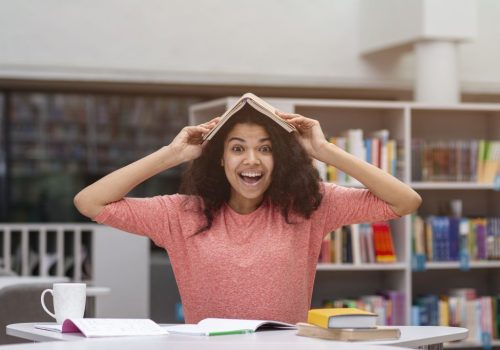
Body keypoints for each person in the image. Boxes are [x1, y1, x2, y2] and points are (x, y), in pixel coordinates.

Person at [74, 104, 422, 324]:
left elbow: (404, 201)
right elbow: (91, 202)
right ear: (221, 159)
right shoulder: (181, 213)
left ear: (279, 159)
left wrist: (324, 150)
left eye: (265, 149)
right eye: (238, 148)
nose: (251, 160)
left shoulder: (308, 205)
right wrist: (172, 154)